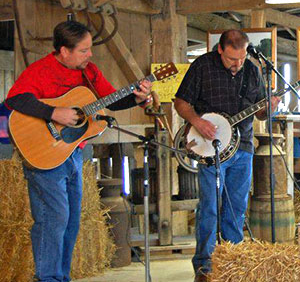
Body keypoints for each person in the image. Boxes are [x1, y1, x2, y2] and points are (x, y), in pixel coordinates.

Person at [5, 20, 152, 282]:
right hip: (44, 154)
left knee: (71, 221)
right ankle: (48, 278)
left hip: (72, 153)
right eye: (83, 50)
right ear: (64, 51)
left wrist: (138, 98)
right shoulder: (41, 71)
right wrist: (53, 112)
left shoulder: (89, 72)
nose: (90, 55)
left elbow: (111, 99)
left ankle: (61, 277)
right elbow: (16, 98)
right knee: (54, 218)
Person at [174, 30, 280, 282]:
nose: (238, 64)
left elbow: (260, 114)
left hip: (242, 146)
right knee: (210, 208)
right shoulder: (202, 66)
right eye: (232, 58)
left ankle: (233, 263)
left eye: (242, 58)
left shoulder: (252, 70)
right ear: (220, 49)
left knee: (237, 208)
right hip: (210, 149)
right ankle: (205, 267)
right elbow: (180, 102)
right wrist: (197, 122)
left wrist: (269, 108)